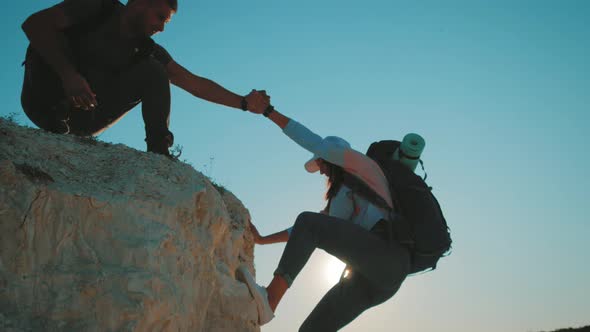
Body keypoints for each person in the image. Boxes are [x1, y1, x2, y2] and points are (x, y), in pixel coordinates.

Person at [236, 104, 413, 331]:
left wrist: (268, 111)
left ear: (330, 156)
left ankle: (270, 299)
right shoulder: (344, 195)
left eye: (320, 162)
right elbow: (302, 233)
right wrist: (261, 240)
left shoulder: (363, 168)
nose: (320, 170)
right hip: (373, 279)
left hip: (388, 257)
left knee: (309, 221)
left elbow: (310, 140)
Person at [20, 0, 269, 156]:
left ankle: (159, 153)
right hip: (43, 98)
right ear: (140, 3)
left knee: (154, 71)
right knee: (53, 33)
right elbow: (33, 24)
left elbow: (193, 83)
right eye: (160, 17)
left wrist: (245, 103)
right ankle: (58, 110)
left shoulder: (147, 50)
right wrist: (68, 75)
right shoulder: (96, 8)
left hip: (85, 117)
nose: (161, 28)